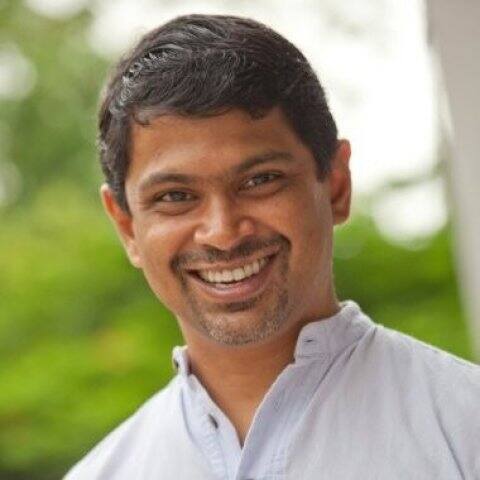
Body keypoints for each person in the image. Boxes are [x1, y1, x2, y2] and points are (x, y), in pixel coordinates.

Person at [66, 13, 480, 480]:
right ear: (126, 227)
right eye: (175, 197)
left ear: (336, 186)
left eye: (260, 180)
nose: (223, 233)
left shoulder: (466, 432)